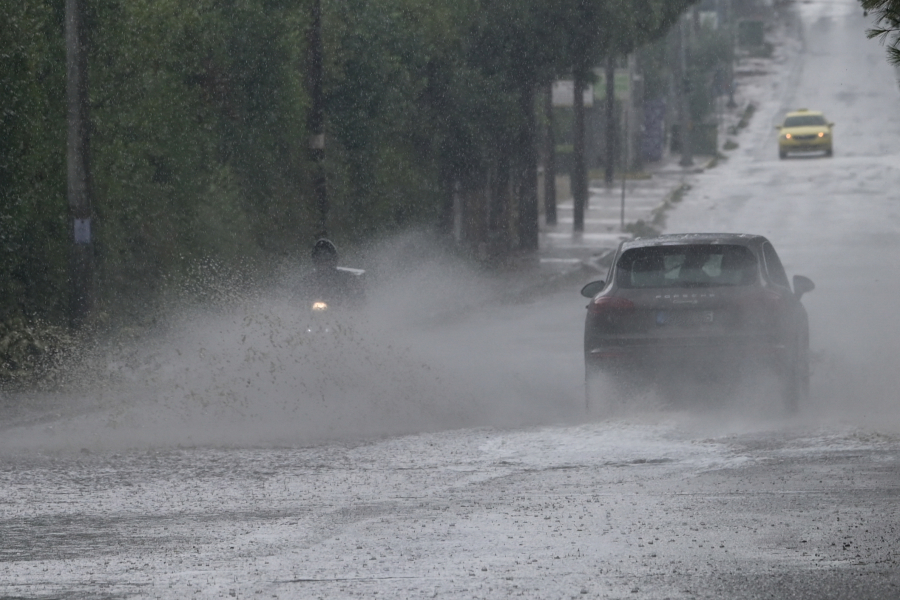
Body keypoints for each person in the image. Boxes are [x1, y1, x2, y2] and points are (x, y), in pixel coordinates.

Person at [298, 238, 365, 308]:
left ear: (334, 259)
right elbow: (296, 299)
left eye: (326, 258)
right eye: (319, 258)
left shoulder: (348, 278)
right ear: (314, 260)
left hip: (344, 311)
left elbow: (360, 297)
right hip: (314, 314)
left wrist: (351, 303)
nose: (323, 262)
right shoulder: (307, 281)